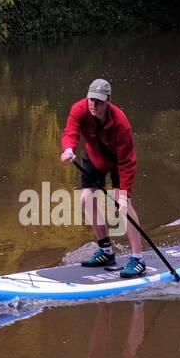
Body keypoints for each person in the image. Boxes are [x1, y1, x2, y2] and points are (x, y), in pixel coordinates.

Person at [59, 78, 146, 277]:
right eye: (91, 99)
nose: (93, 105)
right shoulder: (79, 109)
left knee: (122, 204)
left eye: (98, 101)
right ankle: (106, 250)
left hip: (118, 161)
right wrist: (69, 149)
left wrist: (124, 196)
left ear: (108, 101)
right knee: (85, 199)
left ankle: (137, 258)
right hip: (95, 157)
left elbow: (127, 162)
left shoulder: (120, 122)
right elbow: (70, 132)